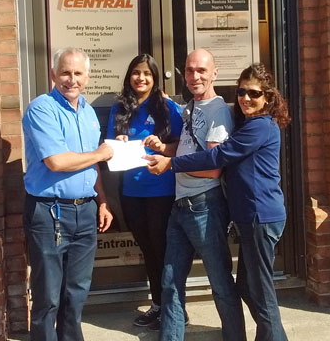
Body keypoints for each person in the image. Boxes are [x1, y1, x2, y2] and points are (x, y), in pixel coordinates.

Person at [146, 63, 291, 341]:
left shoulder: (260, 127)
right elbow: (198, 121)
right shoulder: (249, 124)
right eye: (241, 92)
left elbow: (216, 158)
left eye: (254, 93)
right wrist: (171, 106)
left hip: (261, 217)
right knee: (249, 289)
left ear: (268, 97)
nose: (246, 98)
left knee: (261, 292)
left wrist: (171, 164)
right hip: (250, 218)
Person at [154, 48, 246, 340]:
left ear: (214, 73)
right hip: (181, 206)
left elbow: (212, 168)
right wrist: (162, 149)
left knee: (219, 283)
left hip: (205, 207)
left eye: (201, 71)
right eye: (190, 70)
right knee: (170, 282)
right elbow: (187, 151)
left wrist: (170, 166)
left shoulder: (218, 111)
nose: (194, 76)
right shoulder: (192, 107)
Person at [22, 47, 114, 341]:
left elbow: (92, 164)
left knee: (76, 295)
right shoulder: (41, 109)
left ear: (87, 76)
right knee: (48, 297)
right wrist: (100, 153)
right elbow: (57, 161)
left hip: (85, 211)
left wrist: (102, 201)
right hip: (50, 213)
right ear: (53, 74)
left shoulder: (88, 112)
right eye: (65, 72)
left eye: (77, 73)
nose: (71, 79)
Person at [106, 54, 183, 330]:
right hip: (131, 191)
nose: (141, 78)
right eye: (136, 73)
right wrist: (119, 141)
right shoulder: (119, 109)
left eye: (147, 74)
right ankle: (159, 305)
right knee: (148, 250)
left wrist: (162, 147)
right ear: (129, 77)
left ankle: (174, 310)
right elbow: (108, 150)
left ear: (155, 78)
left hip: (161, 190)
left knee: (163, 250)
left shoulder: (167, 108)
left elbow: (182, 149)